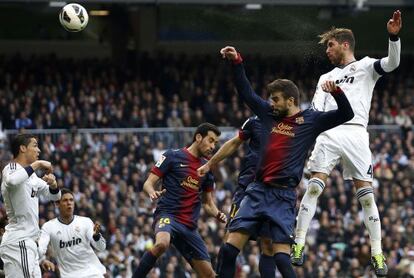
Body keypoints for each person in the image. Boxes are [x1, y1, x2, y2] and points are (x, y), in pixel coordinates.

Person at [217, 46, 354, 278]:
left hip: (283, 196)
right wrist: (237, 63)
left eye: (276, 99)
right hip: (257, 191)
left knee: (280, 257)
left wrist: (337, 93)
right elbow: (247, 93)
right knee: (228, 251)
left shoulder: (310, 120)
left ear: (291, 100)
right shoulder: (268, 115)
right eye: (271, 99)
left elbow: (346, 115)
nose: (272, 103)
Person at [292, 10, 402, 276]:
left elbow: (392, 64)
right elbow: (316, 110)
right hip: (328, 132)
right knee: (315, 187)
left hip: (355, 133)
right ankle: (298, 243)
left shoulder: (365, 66)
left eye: (330, 45)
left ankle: (377, 253)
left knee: (366, 195)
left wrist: (393, 37)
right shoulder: (324, 78)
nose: (327, 50)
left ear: (345, 44)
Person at [132, 123, 227, 278]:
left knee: (209, 275)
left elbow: (208, 204)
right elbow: (148, 183)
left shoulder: (206, 169)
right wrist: (152, 192)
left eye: (215, 143)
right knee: (162, 244)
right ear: (198, 137)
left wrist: (218, 214)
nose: (213, 146)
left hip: (189, 226)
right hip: (168, 215)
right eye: (210, 140)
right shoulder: (172, 156)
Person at [197, 117, 279, 276]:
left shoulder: (291, 124)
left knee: (268, 244)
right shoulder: (255, 121)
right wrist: (210, 164)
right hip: (247, 188)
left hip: (272, 191)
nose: (273, 104)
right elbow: (234, 143)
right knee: (230, 241)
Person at [0, 133, 61, 278]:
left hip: (29, 244)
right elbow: (12, 181)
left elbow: (55, 196)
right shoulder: (11, 168)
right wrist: (38, 164)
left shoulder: (32, 177)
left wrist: (53, 184)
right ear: (22, 148)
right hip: (19, 241)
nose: (38, 150)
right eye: (35, 145)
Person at [38, 188, 107, 277]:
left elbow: (101, 247)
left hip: (92, 273)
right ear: (57, 204)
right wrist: (42, 260)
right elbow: (40, 249)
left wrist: (97, 237)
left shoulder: (85, 222)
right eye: (65, 200)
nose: (69, 203)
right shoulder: (49, 227)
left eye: (71, 200)